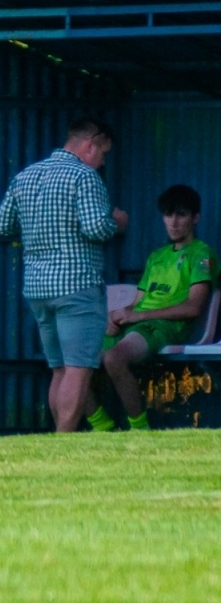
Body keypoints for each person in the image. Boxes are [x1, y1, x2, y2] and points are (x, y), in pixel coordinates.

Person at [0, 115, 127, 434]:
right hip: (77, 285)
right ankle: (63, 444)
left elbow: (1, 225)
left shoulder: (26, 175)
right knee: (79, 371)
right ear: (90, 145)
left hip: (38, 288)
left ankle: (56, 439)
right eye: (103, 153)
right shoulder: (84, 177)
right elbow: (96, 227)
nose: (102, 160)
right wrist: (116, 222)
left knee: (58, 370)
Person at [86, 184, 214, 432]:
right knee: (75, 361)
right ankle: (102, 426)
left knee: (113, 359)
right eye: (168, 215)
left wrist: (138, 315)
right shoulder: (157, 256)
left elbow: (193, 308)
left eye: (181, 214)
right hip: (139, 324)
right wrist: (118, 316)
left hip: (167, 326)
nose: (173, 222)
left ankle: (140, 431)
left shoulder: (201, 253)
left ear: (195, 218)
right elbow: (137, 302)